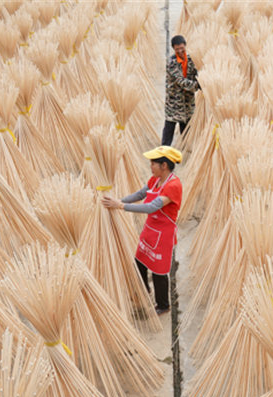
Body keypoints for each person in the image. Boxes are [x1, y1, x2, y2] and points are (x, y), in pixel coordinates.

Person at [101, 146, 183, 316]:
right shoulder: (155, 180)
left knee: (159, 271)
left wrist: (122, 206)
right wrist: (117, 201)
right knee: (140, 262)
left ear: (164, 165)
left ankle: (163, 305)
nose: (150, 165)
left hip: (163, 233)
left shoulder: (173, 185)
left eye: (153, 163)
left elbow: (152, 207)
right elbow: (140, 195)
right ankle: (144, 294)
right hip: (150, 230)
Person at [162, 35, 199, 146]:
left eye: (182, 48)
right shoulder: (172, 63)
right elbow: (181, 82)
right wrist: (198, 85)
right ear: (174, 48)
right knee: (169, 126)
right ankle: (165, 149)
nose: (180, 51)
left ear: (185, 45)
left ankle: (185, 148)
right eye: (177, 49)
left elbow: (195, 73)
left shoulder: (191, 60)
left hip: (187, 101)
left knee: (186, 126)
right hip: (174, 102)